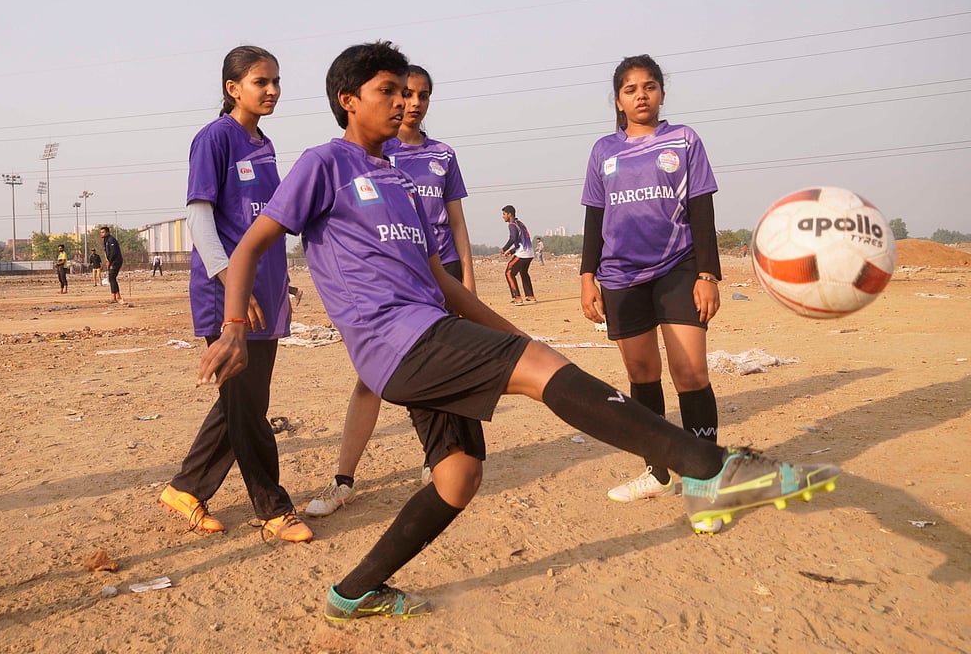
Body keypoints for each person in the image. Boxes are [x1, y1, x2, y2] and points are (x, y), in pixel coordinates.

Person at [199, 41, 840, 622]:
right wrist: (232, 326)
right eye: (387, 92)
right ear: (348, 101)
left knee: (458, 478)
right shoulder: (324, 163)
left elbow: (436, 277)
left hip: (428, 328)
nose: (401, 104)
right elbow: (254, 245)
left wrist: (510, 331)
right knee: (542, 375)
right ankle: (709, 468)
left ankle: (355, 591)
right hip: (396, 340)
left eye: (405, 93)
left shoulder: (398, 175)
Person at [305, 63, 476, 518]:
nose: (411, 103)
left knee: (450, 370)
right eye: (403, 93)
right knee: (372, 378)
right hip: (393, 284)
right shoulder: (372, 152)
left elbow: (456, 222)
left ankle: (439, 460)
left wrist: (468, 282)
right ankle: (344, 477)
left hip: (441, 276)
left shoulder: (441, 155)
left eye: (420, 95)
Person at [158, 45, 312, 543]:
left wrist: (276, 278)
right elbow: (199, 216)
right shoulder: (214, 139)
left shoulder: (264, 145)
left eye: (276, 81)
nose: (272, 91)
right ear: (233, 88)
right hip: (226, 294)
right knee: (247, 404)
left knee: (243, 401)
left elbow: (264, 221)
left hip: (263, 292)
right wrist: (229, 280)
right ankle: (273, 507)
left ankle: (186, 488)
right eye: (260, 82)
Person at [580, 54, 725, 533]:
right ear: (618, 99)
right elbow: (595, 217)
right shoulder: (603, 150)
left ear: (662, 93)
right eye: (629, 89)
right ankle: (658, 472)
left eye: (649, 86)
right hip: (620, 275)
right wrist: (587, 275)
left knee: (690, 370)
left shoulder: (683, 141)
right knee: (641, 372)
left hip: (679, 267)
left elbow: (701, 209)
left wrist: (708, 274)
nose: (640, 95)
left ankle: (704, 481)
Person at [500, 205, 535, 305]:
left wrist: (505, 248)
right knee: (523, 272)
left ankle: (517, 298)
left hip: (522, 254)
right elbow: (521, 241)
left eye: (504, 214)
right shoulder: (520, 223)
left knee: (509, 273)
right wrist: (511, 252)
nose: (503, 216)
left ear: (509, 214)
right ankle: (530, 296)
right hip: (529, 253)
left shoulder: (512, 225)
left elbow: (513, 238)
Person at [100, 227, 122, 303]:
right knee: (112, 278)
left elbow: (113, 252)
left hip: (116, 261)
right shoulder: (105, 240)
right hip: (111, 261)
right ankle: (117, 295)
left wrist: (109, 261)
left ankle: (114, 297)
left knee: (111, 277)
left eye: (103, 232)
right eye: (101, 232)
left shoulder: (111, 239)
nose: (101, 234)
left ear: (107, 232)